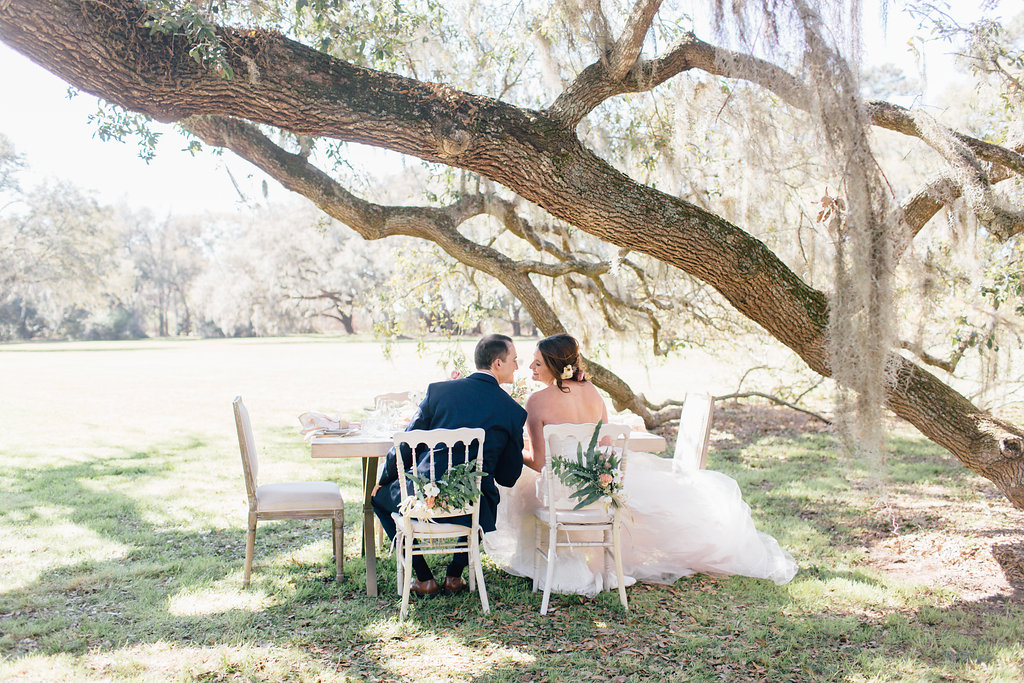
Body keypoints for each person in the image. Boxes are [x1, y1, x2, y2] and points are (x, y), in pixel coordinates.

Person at [484, 333, 798, 596]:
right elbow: (604, 445)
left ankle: (555, 555)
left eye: (537, 362)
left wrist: (518, 452)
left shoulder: (536, 402)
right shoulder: (593, 393)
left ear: (554, 366)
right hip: (596, 493)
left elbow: (540, 463)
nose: (531, 367)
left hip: (561, 495)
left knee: (519, 489)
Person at [372, 333, 528, 597]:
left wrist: (385, 478)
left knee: (377, 498)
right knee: (484, 494)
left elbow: (407, 444)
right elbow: (508, 477)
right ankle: (454, 576)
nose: (517, 365)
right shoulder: (513, 411)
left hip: (424, 500)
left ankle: (423, 578)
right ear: (497, 363)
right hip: (472, 509)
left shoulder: (439, 392)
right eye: (514, 360)